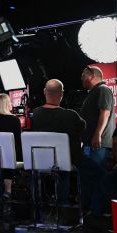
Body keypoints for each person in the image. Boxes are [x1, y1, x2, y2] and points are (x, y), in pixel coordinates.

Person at [30, 79, 86, 213]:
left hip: (39, 162)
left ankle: (39, 210)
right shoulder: (71, 115)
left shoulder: (35, 114)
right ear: (61, 94)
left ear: (44, 92)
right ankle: (64, 210)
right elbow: (83, 129)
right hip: (65, 164)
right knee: (74, 170)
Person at [79, 66, 115, 222]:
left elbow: (105, 112)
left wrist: (97, 135)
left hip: (97, 144)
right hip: (90, 143)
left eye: (83, 75)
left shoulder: (103, 90)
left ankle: (97, 213)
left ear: (92, 76)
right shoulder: (93, 92)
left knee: (97, 177)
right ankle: (91, 212)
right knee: (89, 176)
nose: (81, 78)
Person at [0, 93, 22, 200]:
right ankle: (8, 190)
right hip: (10, 158)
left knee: (2, 153)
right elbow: (19, 141)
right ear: (6, 105)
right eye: (9, 102)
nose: (11, 104)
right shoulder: (14, 120)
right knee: (10, 152)